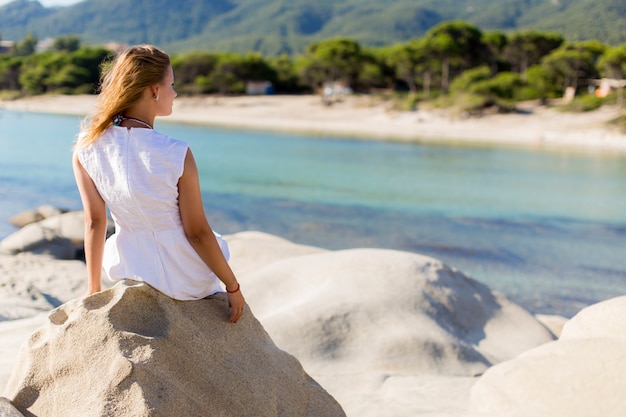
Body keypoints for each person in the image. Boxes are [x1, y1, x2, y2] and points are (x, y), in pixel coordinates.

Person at [72, 44, 245, 323]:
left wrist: (93, 288)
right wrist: (232, 287)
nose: (174, 93)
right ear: (154, 90)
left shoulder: (86, 145)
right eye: (172, 84)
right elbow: (197, 232)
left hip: (131, 266)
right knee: (218, 243)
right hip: (184, 276)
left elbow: (94, 222)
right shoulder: (175, 152)